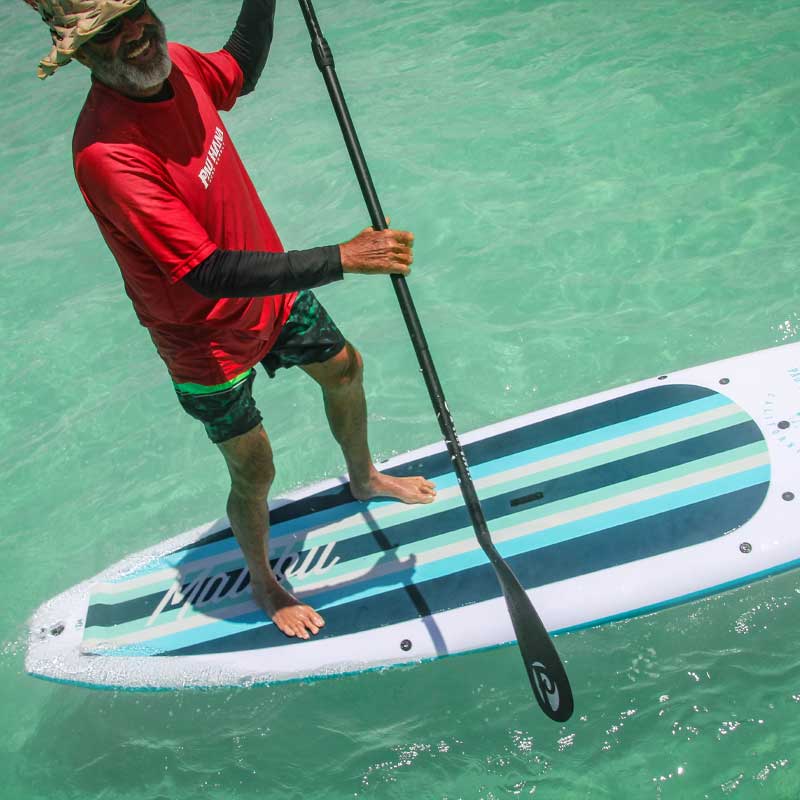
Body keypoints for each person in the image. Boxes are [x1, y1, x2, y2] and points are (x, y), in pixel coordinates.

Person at [26, 0, 436, 640]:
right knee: (256, 469)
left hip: (270, 292)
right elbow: (207, 273)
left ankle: (364, 477)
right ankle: (265, 583)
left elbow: (240, 66)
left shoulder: (180, 65)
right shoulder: (107, 153)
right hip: (203, 339)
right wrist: (342, 258)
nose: (135, 33)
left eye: (136, 13)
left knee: (345, 368)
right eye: (108, 31)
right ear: (79, 53)